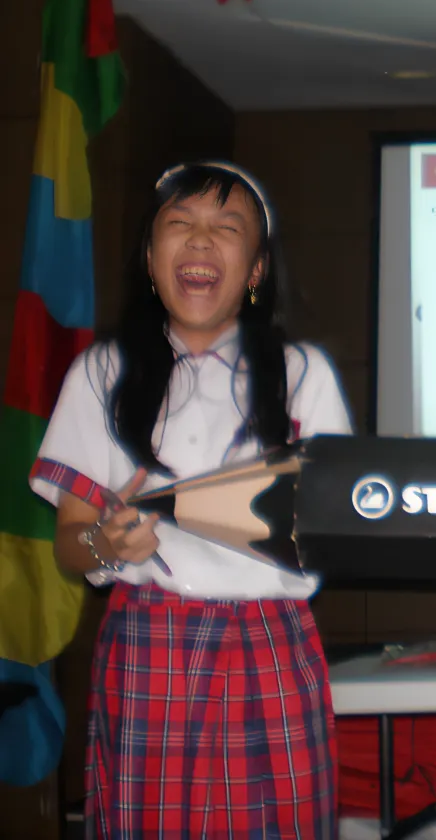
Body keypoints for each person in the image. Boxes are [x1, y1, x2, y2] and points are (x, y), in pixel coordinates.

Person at [29, 162, 353, 839]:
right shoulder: (101, 373)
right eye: (180, 223)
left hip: (271, 638)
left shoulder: (304, 374)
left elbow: (341, 526)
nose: (201, 239)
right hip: (149, 640)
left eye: (227, 228)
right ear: (151, 260)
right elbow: (70, 542)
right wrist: (105, 545)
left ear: (256, 268)